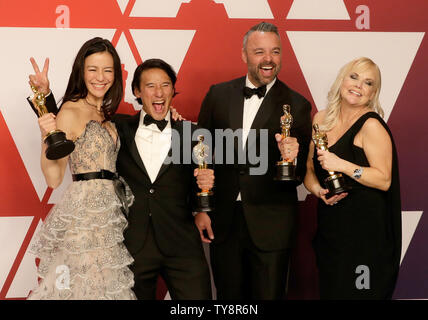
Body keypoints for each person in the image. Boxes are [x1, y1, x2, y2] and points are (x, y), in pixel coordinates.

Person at [29, 57, 214, 300]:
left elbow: (198, 179)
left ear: (173, 89)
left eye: (165, 85)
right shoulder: (116, 127)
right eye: (150, 86)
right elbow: (74, 125)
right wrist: (45, 103)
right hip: (132, 246)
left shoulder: (192, 133)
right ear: (137, 90)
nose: (158, 92)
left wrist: (203, 202)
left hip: (182, 244)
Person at [196, 22, 312, 299]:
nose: (268, 59)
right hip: (224, 221)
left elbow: (303, 172)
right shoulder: (217, 95)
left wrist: (293, 157)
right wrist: (200, 207)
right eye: (259, 51)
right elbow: (198, 153)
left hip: (272, 223)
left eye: (275, 51)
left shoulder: (298, 105)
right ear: (244, 55)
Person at [27, 37, 136, 299]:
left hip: (108, 220)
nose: (101, 77)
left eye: (107, 70)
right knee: (79, 288)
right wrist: (45, 136)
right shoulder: (71, 111)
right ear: (81, 72)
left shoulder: (104, 113)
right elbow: (54, 179)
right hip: (84, 221)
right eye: (93, 69)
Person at [303, 57, 402, 299]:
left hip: (366, 237)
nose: (358, 85)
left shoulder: (371, 126)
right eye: (354, 77)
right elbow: (309, 169)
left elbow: (383, 179)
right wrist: (318, 191)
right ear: (342, 80)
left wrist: (343, 165)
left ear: (372, 93)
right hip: (333, 232)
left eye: (368, 83)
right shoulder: (320, 120)